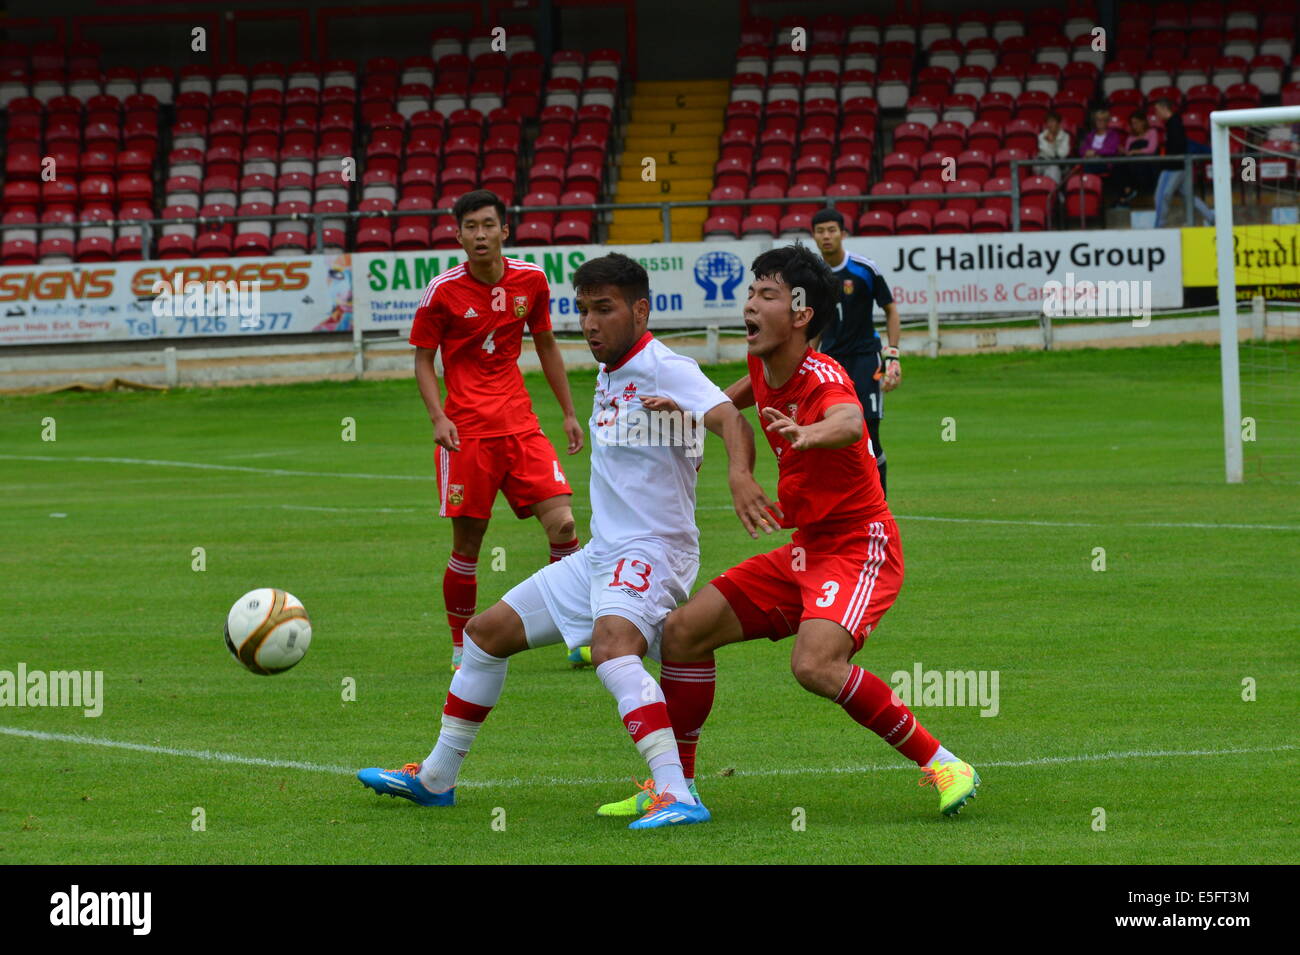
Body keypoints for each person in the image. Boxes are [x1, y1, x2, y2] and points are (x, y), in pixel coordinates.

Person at [359, 253, 780, 829]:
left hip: (653, 550)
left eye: (603, 310)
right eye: (582, 310)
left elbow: (730, 417)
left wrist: (739, 475)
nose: (589, 323)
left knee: (612, 648)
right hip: (603, 555)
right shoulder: (611, 372)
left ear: (640, 309)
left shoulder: (664, 365)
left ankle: (676, 792)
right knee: (485, 636)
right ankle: (436, 778)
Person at [598, 245, 980, 821]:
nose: (749, 304)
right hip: (807, 550)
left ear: (801, 314)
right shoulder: (763, 361)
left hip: (860, 545)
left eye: (766, 295)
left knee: (814, 665)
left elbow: (850, 420)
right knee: (683, 633)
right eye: (751, 292)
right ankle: (678, 788)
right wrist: (685, 408)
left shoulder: (824, 377)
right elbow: (737, 398)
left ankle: (945, 761)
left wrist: (810, 434)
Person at [409, 189, 585, 673]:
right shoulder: (442, 291)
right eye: (471, 227)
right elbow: (423, 360)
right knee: (469, 543)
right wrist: (438, 418)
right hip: (466, 433)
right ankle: (462, 646)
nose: (480, 234)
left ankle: (575, 632)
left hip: (521, 426)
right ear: (459, 234)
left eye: (488, 225)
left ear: (505, 230)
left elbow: (546, 344)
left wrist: (568, 412)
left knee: (565, 527)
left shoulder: (532, 280)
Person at [809, 208, 900, 498]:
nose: (826, 236)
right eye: (821, 231)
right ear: (813, 236)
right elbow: (815, 325)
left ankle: (879, 503)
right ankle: (843, 500)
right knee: (832, 433)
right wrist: (807, 361)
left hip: (865, 359)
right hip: (830, 365)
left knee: (870, 432)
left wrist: (893, 356)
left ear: (843, 234)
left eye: (832, 230)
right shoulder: (811, 277)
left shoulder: (865, 269)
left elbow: (890, 309)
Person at [1151, 98, 1215, 226]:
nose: (1156, 114)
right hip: (1182, 166)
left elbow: (1177, 147)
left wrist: (1168, 162)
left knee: (1161, 196)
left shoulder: (1173, 123)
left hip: (1173, 167)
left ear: (1164, 108)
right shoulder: (1173, 123)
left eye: (1157, 110)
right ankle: (1212, 218)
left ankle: (1159, 226)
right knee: (1189, 196)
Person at [1112, 113, 1160, 208]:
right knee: (1119, 163)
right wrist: (1123, 151)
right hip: (1133, 166)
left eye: (1137, 123)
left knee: (1134, 164)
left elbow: (1152, 149)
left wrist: (1135, 151)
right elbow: (1128, 153)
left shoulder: (1152, 132)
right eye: (1132, 124)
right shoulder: (1131, 137)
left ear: (1143, 122)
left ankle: (1127, 193)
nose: (1135, 126)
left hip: (1148, 166)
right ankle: (1127, 191)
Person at [1079, 108, 1122, 178]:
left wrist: (1095, 152)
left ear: (1107, 121)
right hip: (1090, 161)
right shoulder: (1090, 135)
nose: (1100, 122)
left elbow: (1112, 150)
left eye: (1103, 120)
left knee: (1087, 165)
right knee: (1083, 165)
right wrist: (1086, 152)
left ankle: (1089, 186)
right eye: (1098, 119)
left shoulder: (1113, 135)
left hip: (1105, 163)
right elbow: (1081, 150)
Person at [1035, 111, 1072, 185]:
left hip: (1061, 164)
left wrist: (1052, 143)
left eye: (1052, 122)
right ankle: (1053, 192)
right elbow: (1048, 152)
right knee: (1051, 168)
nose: (1049, 125)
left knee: (1053, 169)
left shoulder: (1065, 136)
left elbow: (1063, 154)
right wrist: (1053, 145)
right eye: (1048, 122)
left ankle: (1049, 190)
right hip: (1043, 163)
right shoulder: (1041, 136)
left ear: (1058, 124)